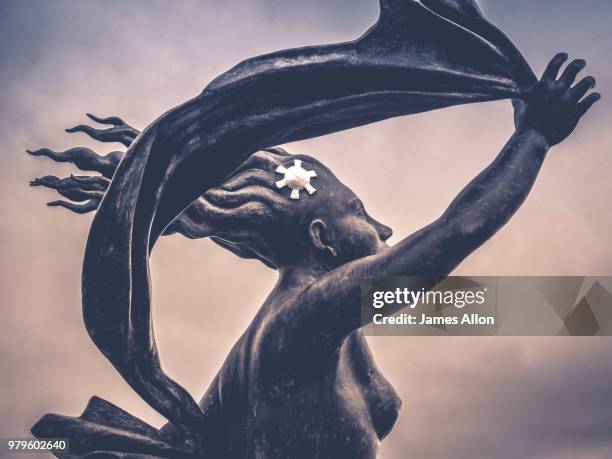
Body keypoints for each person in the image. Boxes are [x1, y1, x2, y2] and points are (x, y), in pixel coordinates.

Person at [29, 54, 599, 458]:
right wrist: (534, 140)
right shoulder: (300, 320)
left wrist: (571, 311)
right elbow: (452, 235)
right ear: (322, 238)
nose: (381, 225)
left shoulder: (305, 335)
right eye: (361, 211)